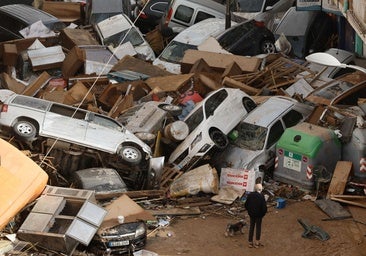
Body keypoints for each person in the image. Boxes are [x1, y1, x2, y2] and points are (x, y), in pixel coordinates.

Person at [244, 183, 267, 248]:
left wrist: (249, 211)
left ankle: (250, 242)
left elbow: (246, 205)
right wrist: (262, 214)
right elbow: (264, 208)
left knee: (251, 227)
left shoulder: (250, 195)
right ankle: (257, 243)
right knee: (258, 227)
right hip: (259, 215)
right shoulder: (261, 196)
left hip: (251, 214)